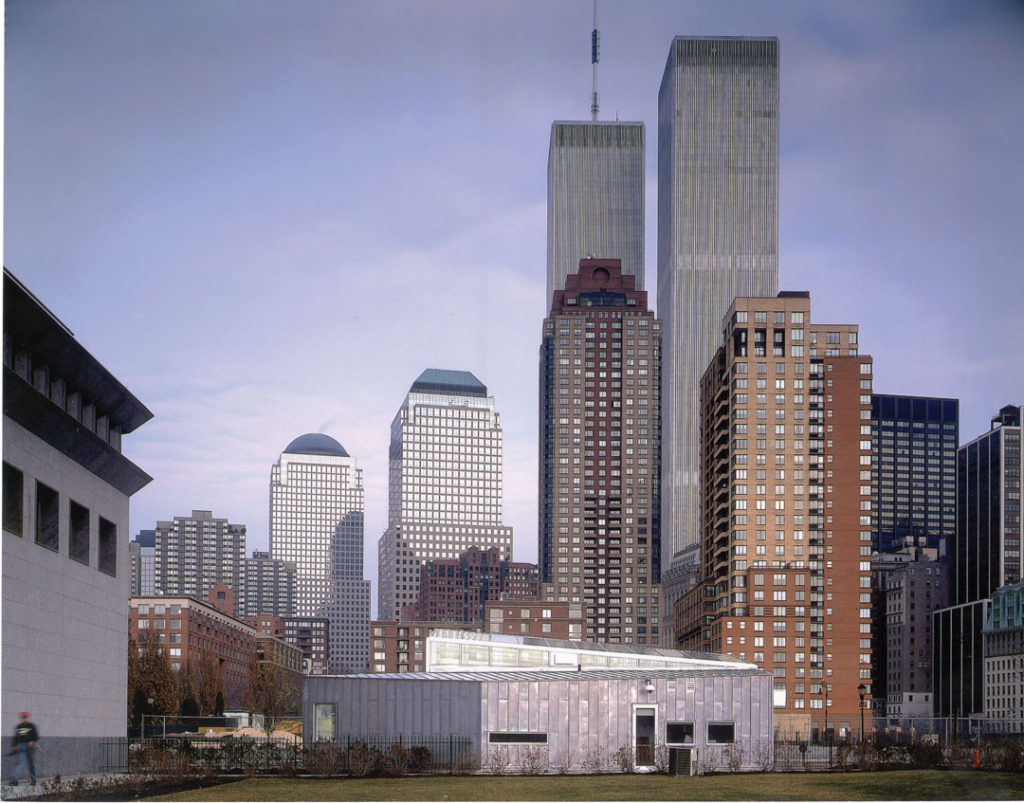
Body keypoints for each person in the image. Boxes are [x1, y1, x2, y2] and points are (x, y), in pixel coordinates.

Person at [8, 712, 38, 786]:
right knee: (21, 763)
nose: (24, 719)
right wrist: (14, 746)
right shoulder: (19, 726)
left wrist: (32, 741)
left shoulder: (31, 726)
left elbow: (36, 736)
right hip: (22, 747)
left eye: (26, 717)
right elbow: (16, 737)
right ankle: (15, 779)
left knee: (31, 764)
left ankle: (33, 779)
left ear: (28, 718)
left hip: (30, 747)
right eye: (23, 717)